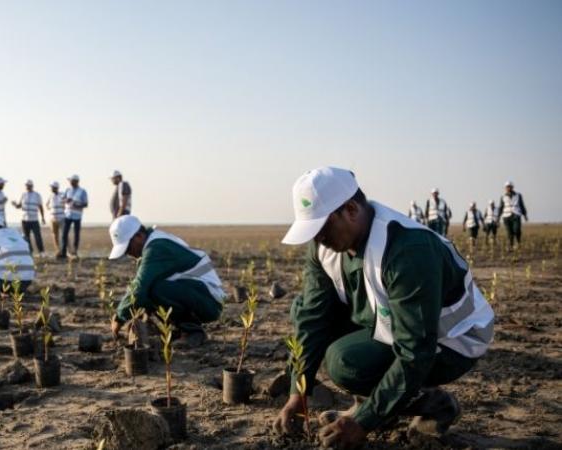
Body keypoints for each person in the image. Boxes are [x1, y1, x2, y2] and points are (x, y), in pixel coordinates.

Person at [274, 167, 494, 449]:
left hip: (452, 341)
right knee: (301, 308)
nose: (318, 239)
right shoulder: (326, 245)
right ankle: (377, 404)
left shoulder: (408, 250)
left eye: (322, 228)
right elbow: (313, 319)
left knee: (345, 362)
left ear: (351, 210)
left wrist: (362, 423)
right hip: (393, 325)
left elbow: (415, 350)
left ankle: (433, 404)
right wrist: (298, 391)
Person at [107, 215, 225, 346]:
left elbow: (140, 288)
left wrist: (119, 317)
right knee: (151, 289)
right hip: (197, 293)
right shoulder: (153, 243)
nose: (129, 254)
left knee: (155, 289)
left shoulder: (156, 248)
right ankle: (178, 329)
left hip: (209, 300)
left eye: (128, 248)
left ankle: (192, 332)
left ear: (139, 236)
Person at [11, 179, 46, 256]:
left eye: (29, 185)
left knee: (37, 236)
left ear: (32, 186)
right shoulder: (23, 195)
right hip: (24, 219)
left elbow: (41, 207)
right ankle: (30, 251)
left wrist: (43, 218)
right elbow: (19, 206)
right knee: (26, 237)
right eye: (26, 185)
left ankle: (41, 252)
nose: (27, 187)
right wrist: (15, 204)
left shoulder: (37, 195)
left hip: (34, 219)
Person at [59, 174, 88, 259]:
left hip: (77, 216)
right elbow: (62, 200)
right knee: (64, 234)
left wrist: (75, 204)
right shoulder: (67, 190)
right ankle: (63, 253)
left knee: (76, 235)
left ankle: (75, 252)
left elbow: (85, 204)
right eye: (70, 181)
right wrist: (66, 200)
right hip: (67, 215)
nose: (70, 182)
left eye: (71, 181)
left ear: (76, 181)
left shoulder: (82, 191)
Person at [498, 181, 528, 250]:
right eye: (507, 187)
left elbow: (522, 205)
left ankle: (518, 242)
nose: (508, 188)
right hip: (506, 216)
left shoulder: (518, 195)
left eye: (509, 186)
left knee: (517, 230)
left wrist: (525, 215)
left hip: (516, 214)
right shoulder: (503, 197)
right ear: (505, 188)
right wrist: (498, 218)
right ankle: (511, 245)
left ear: (512, 187)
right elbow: (501, 207)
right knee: (509, 232)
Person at [46, 181, 66, 253]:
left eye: (52, 187)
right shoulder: (50, 196)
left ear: (56, 187)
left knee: (64, 234)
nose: (51, 188)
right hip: (52, 218)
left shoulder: (62, 194)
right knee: (55, 235)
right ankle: (58, 250)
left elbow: (66, 203)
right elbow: (47, 205)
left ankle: (67, 251)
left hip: (61, 217)